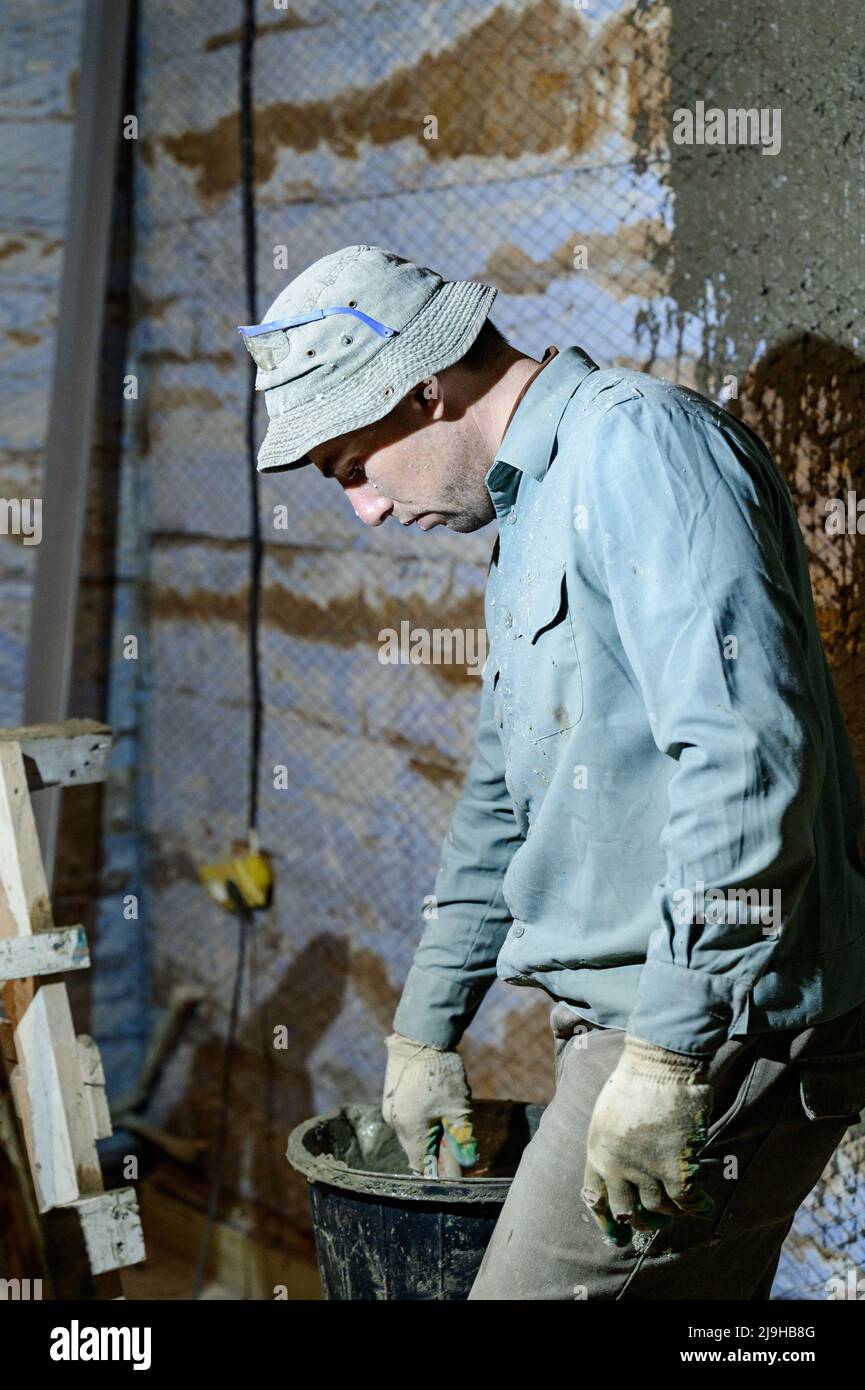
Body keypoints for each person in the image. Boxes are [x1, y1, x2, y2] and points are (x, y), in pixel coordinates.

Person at [238, 244, 865, 1299]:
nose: (367, 509)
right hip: (657, 1020)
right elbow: (502, 793)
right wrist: (424, 1026)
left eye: (349, 466)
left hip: (712, 1023)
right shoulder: (533, 505)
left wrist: (665, 1056)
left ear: (421, 388)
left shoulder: (640, 447)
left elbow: (746, 761)